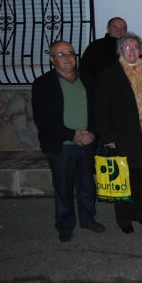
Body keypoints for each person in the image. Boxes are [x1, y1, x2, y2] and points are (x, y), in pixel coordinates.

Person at [32, 40, 105, 242]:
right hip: (61, 146)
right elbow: (43, 119)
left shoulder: (88, 80)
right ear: (52, 59)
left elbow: (97, 111)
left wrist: (92, 132)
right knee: (63, 187)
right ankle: (65, 225)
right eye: (61, 54)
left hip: (87, 143)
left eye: (70, 53)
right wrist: (72, 135)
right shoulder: (43, 84)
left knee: (87, 185)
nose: (67, 58)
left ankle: (88, 219)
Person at [95, 32, 142, 234]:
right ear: (120, 51)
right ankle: (123, 219)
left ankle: (139, 212)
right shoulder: (110, 73)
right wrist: (108, 137)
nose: (131, 50)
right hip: (120, 136)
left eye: (135, 47)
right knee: (121, 178)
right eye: (127, 47)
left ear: (140, 51)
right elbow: (101, 108)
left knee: (139, 176)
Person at [80, 17, 127, 81]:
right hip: (100, 83)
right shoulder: (96, 45)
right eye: (115, 27)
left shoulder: (129, 46)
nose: (119, 31)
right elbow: (83, 69)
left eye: (123, 28)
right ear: (108, 29)